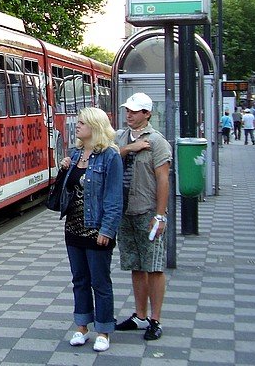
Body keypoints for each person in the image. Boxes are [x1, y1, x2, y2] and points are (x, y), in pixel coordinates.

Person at [58, 107, 123, 353]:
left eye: (82, 122)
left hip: (96, 230)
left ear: (95, 127)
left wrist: (107, 230)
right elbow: (65, 192)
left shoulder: (110, 156)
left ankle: (103, 330)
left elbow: (114, 198)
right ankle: (82, 326)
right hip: (73, 228)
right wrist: (64, 170)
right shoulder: (75, 154)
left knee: (100, 282)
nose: (77, 125)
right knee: (80, 280)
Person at [114, 92, 172, 341]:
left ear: (147, 114)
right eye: (127, 110)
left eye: (135, 111)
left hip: (146, 211)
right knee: (135, 265)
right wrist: (129, 148)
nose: (129, 114)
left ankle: (155, 319)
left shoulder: (157, 141)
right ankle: (140, 315)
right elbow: (106, 156)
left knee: (154, 267)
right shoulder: (119, 137)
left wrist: (160, 215)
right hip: (124, 211)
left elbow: (163, 179)